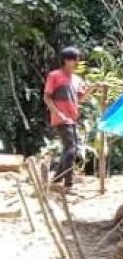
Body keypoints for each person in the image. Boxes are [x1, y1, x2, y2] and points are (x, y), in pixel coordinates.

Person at [43, 46, 88, 192]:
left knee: (69, 149)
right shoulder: (54, 75)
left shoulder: (76, 79)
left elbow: (80, 98)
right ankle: (68, 184)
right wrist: (57, 112)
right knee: (71, 149)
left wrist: (93, 88)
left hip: (73, 117)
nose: (76, 62)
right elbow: (47, 97)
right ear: (65, 61)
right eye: (73, 59)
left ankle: (56, 179)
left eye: (77, 59)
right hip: (61, 118)